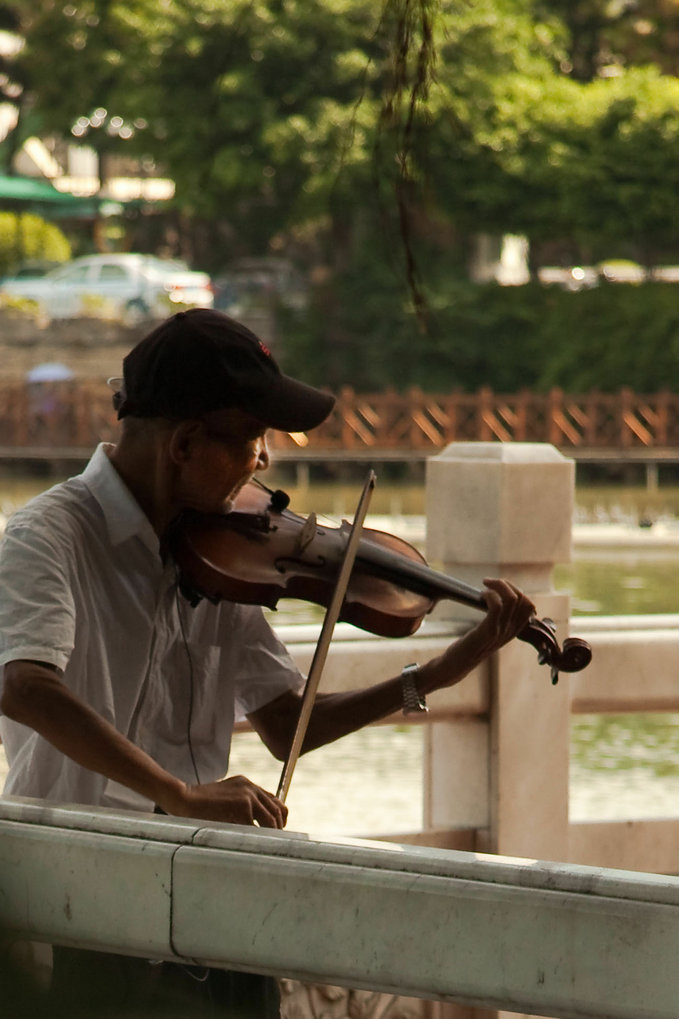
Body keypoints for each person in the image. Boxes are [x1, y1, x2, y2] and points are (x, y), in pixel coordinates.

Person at [0, 308, 536, 1015]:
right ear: (186, 443)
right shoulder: (49, 537)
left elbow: (286, 724)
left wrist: (428, 677)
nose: (264, 460)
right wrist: (178, 791)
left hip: (215, 899)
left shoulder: (218, 551)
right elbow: (23, 684)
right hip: (90, 909)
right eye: (253, 438)